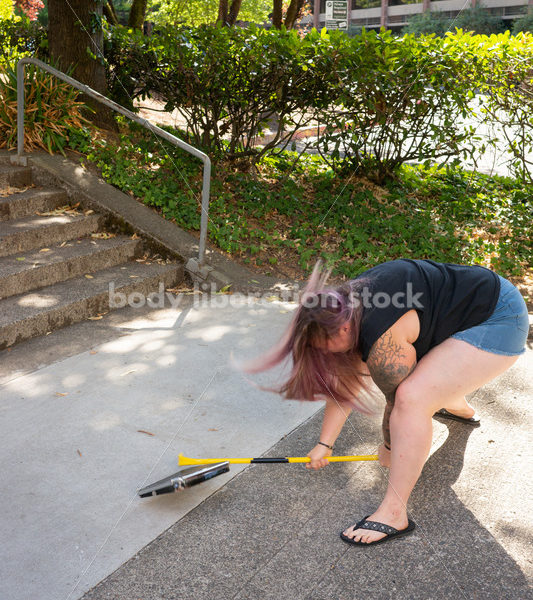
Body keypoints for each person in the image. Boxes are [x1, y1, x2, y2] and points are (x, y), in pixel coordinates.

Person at [243, 259, 529, 546]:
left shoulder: (381, 340)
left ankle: (394, 513)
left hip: (499, 318)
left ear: (342, 330)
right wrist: (324, 444)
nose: (323, 357)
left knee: (412, 399)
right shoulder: (341, 306)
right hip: (467, 308)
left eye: (322, 349)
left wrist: (390, 446)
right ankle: (455, 403)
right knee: (421, 385)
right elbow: (344, 382)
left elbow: (398, 401)